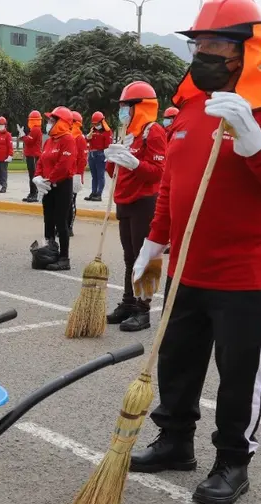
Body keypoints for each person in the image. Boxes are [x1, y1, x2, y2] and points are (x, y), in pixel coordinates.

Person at [128, 0, 261, 504]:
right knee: (177, 360)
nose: (201, 53)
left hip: (241, 269)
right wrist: (154, 242)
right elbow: (171, 181)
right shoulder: (191, 103)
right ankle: (174, 441)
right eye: (198, 44)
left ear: (242, 50)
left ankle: (233, 459)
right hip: (187, 264)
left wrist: (254, 142)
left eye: (212, 44)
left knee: (237, 372)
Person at [102, 81, 167, 333]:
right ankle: (129, 302)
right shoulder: (127, 133)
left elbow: (158, 172)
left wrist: (134, 163)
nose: (122, 111)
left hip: (145, 201)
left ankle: (143, 309)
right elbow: (115, 172)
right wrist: (112, 157)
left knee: (146, 256)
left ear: (140, 107)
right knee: (130, 256)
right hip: (125, 199)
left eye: (126, 106)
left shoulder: (154, 132)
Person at [32, 107, 77, 271]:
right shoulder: (49, 140)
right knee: (48, 220)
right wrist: (37, 178)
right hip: (47, 186)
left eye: (52, 120)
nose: (49, 123)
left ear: (61, 122)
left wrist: (49, 180)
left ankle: (64, 257)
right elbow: (41, 161)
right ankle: (50, 251)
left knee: (61, 221)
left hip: (62, 185)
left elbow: (64, 166)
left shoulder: (68, 140)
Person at [85, 111, 112, 201]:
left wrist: (106, 156)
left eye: (97, 123)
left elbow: (108, 145)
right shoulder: (93, 130)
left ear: (102, 122)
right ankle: (93, 193)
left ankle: (99, 194)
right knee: (94, 176)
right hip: (92, 154)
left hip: (101, 154)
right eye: (94, 123)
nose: (96, 125)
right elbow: (87, 141)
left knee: (100, 175)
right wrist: (87, 137)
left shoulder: (107, 131)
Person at [70, 111, 89, 235]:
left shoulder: (79, 138)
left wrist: (78, 176)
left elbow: (82, 159)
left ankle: (69, 226)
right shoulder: (68, 136)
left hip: (74, 175)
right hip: (66, 174)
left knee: (71, 202)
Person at [20, 110, 44, 203]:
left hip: (33, 155)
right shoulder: (36, 129)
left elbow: (29, 141)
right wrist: (24, 136)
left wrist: (23, 136)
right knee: (32, 175)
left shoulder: (35, 130)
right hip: (32, 154)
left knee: (33, 175)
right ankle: (32, 193)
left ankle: (34, 193)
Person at [0, 116, 13, 193]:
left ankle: (4, 186)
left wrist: (10, 155)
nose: (1, 126)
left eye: (2, 125)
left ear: (5, 125)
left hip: (4, 158)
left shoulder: (8, 135)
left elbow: (10, 146)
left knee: (3, 173)